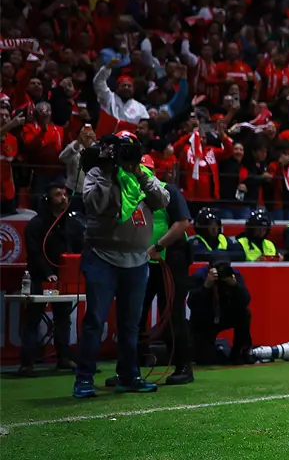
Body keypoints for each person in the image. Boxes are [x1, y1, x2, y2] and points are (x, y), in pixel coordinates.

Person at [75, 131, 170, 398]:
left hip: (137, 261)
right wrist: (108, 171)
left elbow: (162, 200)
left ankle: (129, 375)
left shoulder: (143, 175)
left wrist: (139, 174)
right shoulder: (97, 173)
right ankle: (84, 379)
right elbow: (95, 204)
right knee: (95, 320)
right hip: (102, 257)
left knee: (130, 324)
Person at [138, 155, 195, 385]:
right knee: (134, 315)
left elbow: (182, 223)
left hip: (171, 262)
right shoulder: (132, 194)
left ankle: (183, 367)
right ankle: (130, 368)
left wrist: (158, 246)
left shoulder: (168, 190)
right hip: (142, 262)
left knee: (173, 315)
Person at [19, 179, 83, 377]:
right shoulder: (35, 225)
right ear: (47, 199)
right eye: (58, 194)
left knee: (63, 318)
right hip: (41, 279)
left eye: (65, 194)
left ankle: (64, 357)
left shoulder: (73, 224)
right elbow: (35, 253)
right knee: (33, 318)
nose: (63, 198)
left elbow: (79, 249)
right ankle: (27, 363)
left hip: (64, 280)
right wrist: (48, 273)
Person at [187, 262, 252, 365]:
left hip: (225, 315)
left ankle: (238, 352)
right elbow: (191, 304)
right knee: (204, 360)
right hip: (205, 320)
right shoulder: (200, 275)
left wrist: (235, 286)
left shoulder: (234, 274)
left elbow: (246, 301)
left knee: (245, 313)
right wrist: (206, 286)